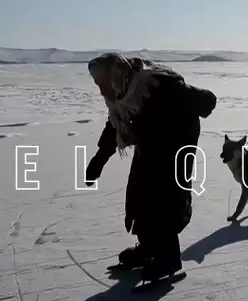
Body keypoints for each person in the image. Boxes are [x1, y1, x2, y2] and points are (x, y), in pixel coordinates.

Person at [84, 53, 217, 281]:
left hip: (179, 136)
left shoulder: (158, 84)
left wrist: (153, 124)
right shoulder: (122, 94)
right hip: (152, 139)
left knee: (166, 193)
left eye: (102, 84)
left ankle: (169, 259)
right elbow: (114, 126)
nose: (101, 91)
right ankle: (148, 247)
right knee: (140, 188)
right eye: (98, 85)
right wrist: (99, 159)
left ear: (115, 76)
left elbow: (206, 102)